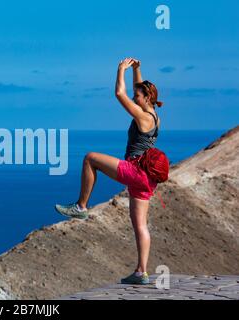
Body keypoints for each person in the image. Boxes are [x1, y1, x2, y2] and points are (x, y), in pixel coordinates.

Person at [55, 57, 164, 285]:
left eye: (138, 97)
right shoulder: (155, 115)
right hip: (146, 180)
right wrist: (137, 69)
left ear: (146, 99)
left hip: (134, 170)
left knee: (90, 158)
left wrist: (120, 70)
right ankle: (141, 272)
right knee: (140, 225)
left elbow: (119, 94)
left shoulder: (143, 117)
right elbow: (139, 89)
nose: (135, 98)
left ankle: (81, 207)